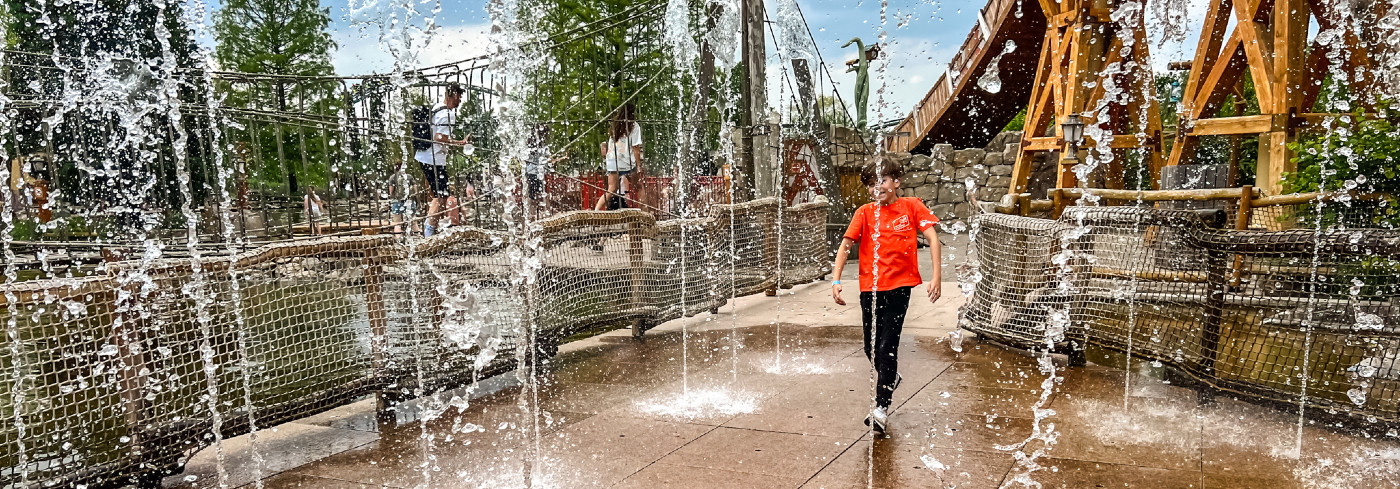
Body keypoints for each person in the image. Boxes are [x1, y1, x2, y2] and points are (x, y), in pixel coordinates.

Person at [830, 157, 942, 434]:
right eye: (870, 184)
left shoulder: (911, 206)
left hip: (899, 289)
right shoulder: (864, 213)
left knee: (886, 347)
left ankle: (881, 409)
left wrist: (936, 277)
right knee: (870, 348)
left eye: (881, 181)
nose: (876, 187)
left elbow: (932, 238)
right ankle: (891, 378)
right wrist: (836, 279)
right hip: (870, 289)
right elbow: (845, 245)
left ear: (896, 182)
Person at [416, 83, 471, 237]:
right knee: (442, 195)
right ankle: (429, 231)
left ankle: (430, 227)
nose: (460, 100)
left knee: (439, 194)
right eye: (459, 97)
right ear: (454, 95)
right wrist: (460, 142)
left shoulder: (436, 108)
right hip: (434, 158)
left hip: (424, 155)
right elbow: (439, 137)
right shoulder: (448, 114)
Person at [593, 103, 643, 211]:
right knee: (639, 185)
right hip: (626, 162)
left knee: (611, 189)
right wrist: (639, 165)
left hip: (612, 160)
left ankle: (596, 210)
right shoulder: (634, 126)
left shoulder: (615, 125)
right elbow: (635, 147)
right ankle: (644, 209)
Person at [388, 163, 416, 234]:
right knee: (413, 221)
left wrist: (391, 196)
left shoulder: (393, 177)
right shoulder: (409, 176)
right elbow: (415, 188)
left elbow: (391, 191)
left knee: (397, 223)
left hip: (397, 201)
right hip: (409, 200)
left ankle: (398, 238)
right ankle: (417, 236)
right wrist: (415, 195)